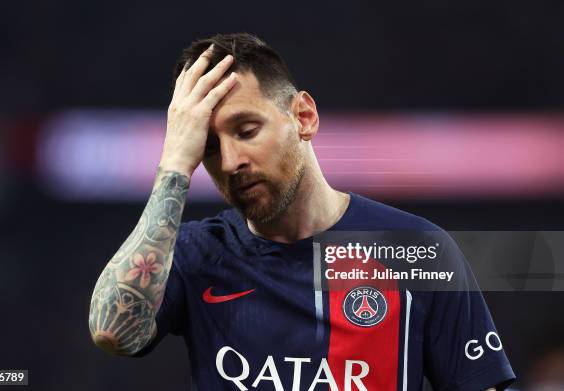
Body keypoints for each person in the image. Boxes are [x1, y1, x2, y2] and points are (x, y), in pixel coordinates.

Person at [89, 33, 515, 391]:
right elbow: (112, 332)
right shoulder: (195, 255)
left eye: (247, 130)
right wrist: (173, 167)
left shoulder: (416, 251)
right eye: (209, 148)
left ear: (304, 117)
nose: (232, 160)